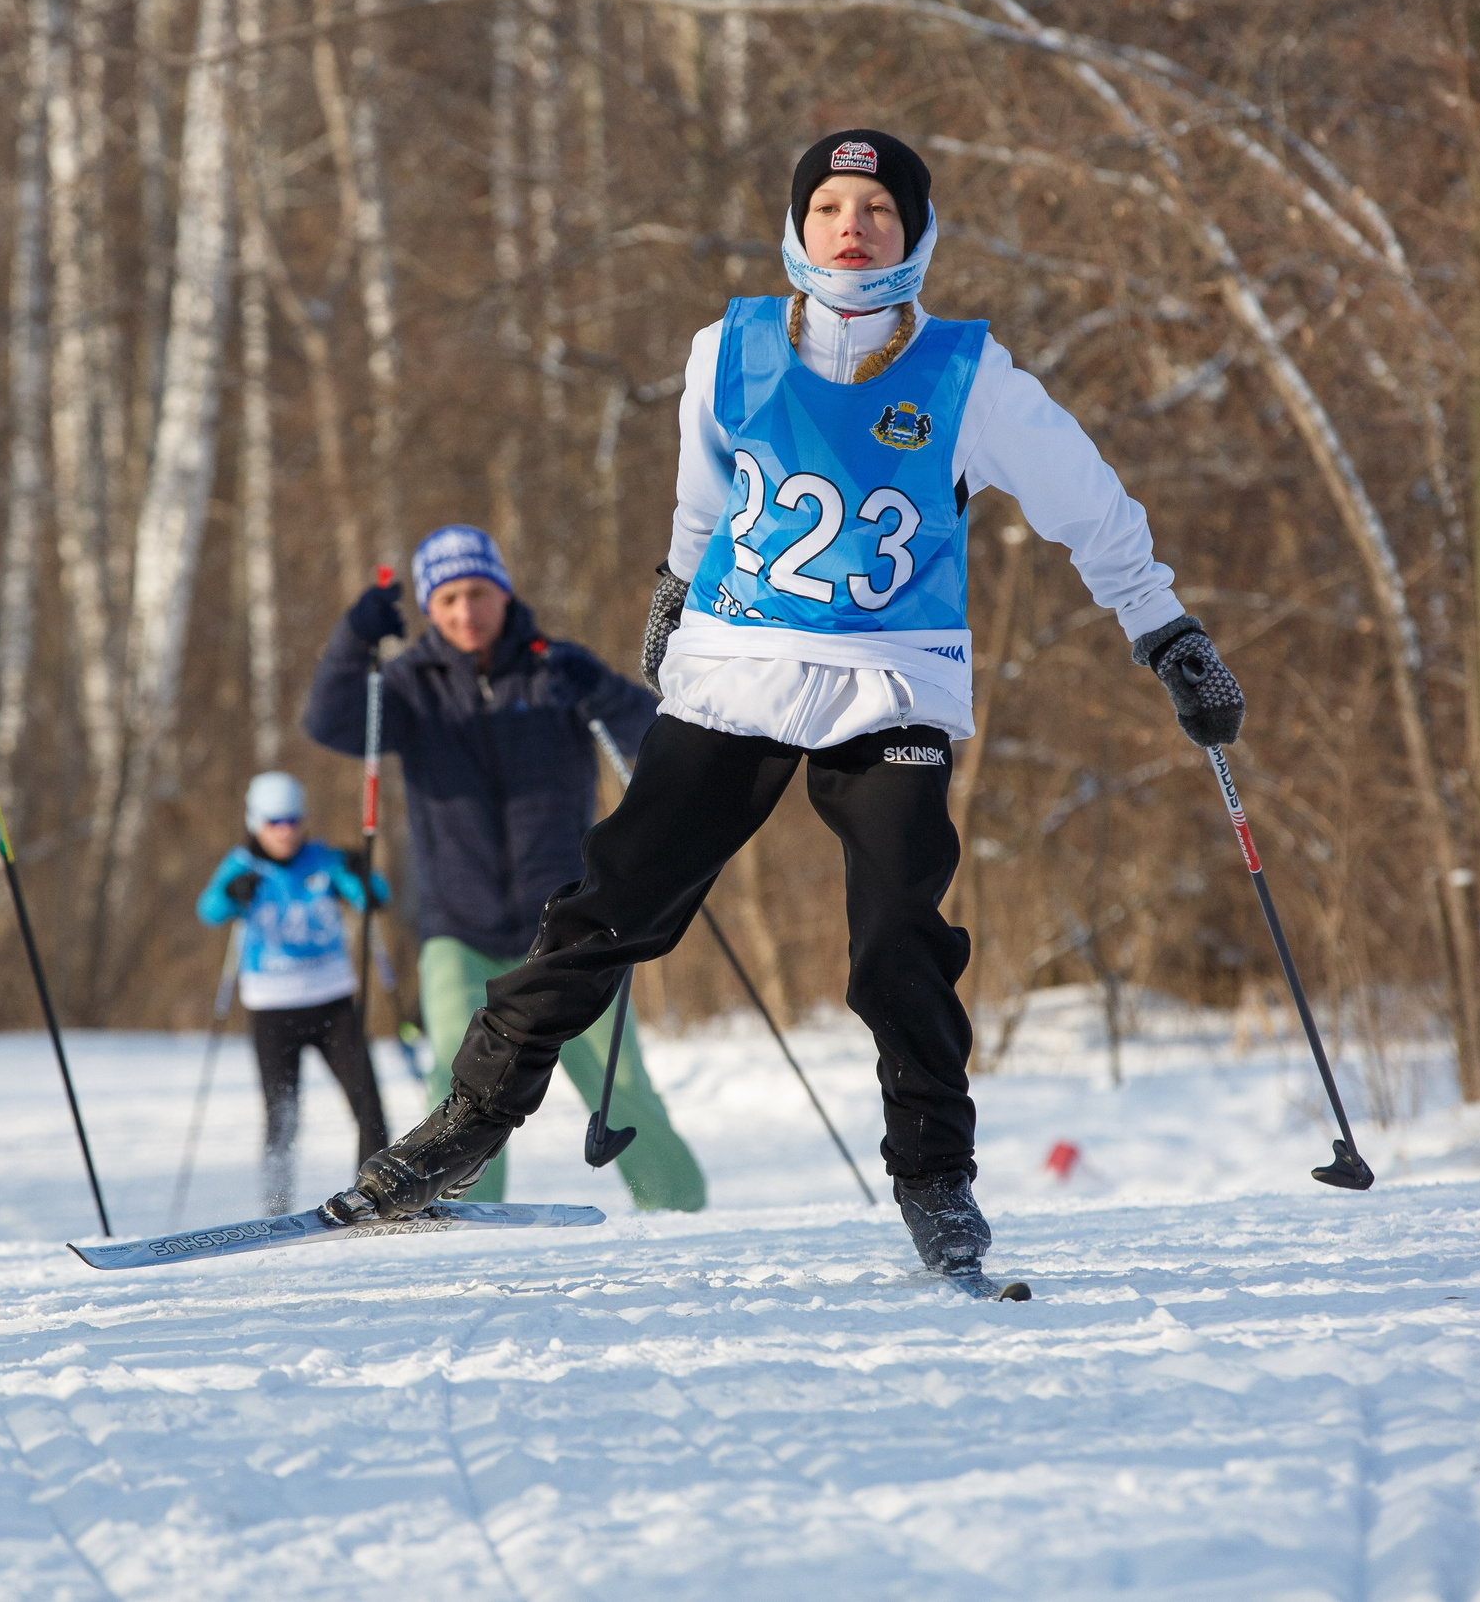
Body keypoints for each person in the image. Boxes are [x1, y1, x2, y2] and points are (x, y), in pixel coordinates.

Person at [322, 131, 1244, 1278]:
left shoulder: (973, 377)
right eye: (827, 207)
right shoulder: (731, 348)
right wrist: (672, 587)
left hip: (888, 677)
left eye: (875, 210)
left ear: (914, 235)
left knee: (897, 935)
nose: (849, 226)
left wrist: (1166, 631)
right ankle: (462, 1130)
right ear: (798, 228)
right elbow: (703, 499)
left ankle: (934, 1179)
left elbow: (1092, 511)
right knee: (612, 907)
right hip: (739, 670)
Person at [304, 524, 707, 1211]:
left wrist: (602, 690)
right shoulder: (407, 688)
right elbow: (333, 721)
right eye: (450, 597)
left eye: (479, 592)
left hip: (571, 924)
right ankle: (463, 1207)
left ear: (503, 591)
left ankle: (677, 1204)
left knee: (620, 1079)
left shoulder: (556, 669)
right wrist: (353, 641)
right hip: (458, 928)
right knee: (454, 1082)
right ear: (431, 607)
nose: (467, 611)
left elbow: (655, 731)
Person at [196, 771, 392, 1213]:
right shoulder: (242, 864)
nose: (284, 831)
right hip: (272, 1009)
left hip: (332, 1003)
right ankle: (277, 1205)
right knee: (282, 1114)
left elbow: (373, 900)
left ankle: (377, 1196)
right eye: (273, 822)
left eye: (292, 820)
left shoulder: (323, 860)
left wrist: (363, 874)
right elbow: (208, 911)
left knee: (367, 1103)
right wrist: (231, 893)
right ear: (255, 822)